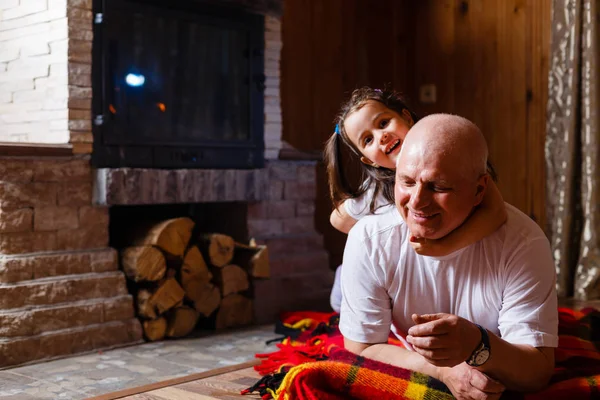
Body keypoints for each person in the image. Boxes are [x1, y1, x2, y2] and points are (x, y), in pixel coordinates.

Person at [339, 113, 558, 399]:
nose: (416, 202)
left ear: (480, 190)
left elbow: (538, 369)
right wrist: (442, 370)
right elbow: (361, 347)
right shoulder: (370, 239)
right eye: (406, 182)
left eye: (438, 187)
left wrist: (478, 344)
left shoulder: (523, 243)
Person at [324, 87, 506, 312]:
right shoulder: (378, 188)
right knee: (343, 302)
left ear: (406, 117)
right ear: (369, 160)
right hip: (367, 286)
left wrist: (443, 246)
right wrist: (385, 228)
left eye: (383, 123)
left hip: (447, 267)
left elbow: (496, 212)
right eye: (368, 140)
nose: (382, 137)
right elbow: (338, 220)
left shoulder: (451, 153)